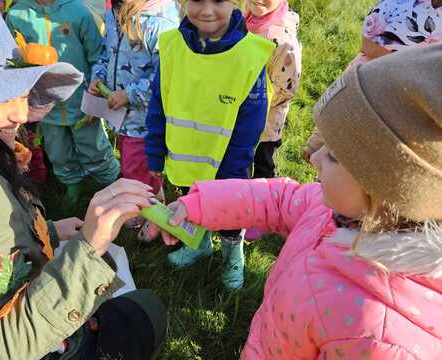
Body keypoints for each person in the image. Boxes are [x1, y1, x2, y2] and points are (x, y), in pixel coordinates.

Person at [0, 1, 166, 359]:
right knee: (145, 313)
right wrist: (88, 249)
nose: (23, 113)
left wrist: (51, 233)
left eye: (22, 92)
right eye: (2, 96)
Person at [153, 42, 442, 359]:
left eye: (332, 155)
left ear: (384, 188)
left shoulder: (379, 339)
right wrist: (196, 206)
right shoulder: (336, 208)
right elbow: (276, 198)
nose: (314, 159)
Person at [143, 0, 275, 290]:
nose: (206, 11)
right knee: (189, 207)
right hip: (182, 162)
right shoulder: (171, 47)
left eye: (218, 1)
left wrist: (232, 172)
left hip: (228, 167)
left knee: (229, 215)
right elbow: (158, 104)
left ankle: (232, 254)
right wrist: (155, 154)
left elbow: (249, 126)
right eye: (196, 0)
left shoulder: (249, 56)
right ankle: (198, 244)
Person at [6, 0, 120, 204]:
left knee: (92, 145)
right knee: (57, 149)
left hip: (81, 98)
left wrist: (95, 92)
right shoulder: (17, 15)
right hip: (44, 102)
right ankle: (72, 184)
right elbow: (11, 58)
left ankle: (109, 182)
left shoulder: (77, 11)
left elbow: (96, 54)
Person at [302, 0, 442, 161]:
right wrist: (406, 69)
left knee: (362, 163)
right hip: (364, 83)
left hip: (405, 107)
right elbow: (370, 44)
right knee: (323, 148)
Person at [88, 0, 179, 232]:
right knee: (137, 163)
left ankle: (143, 210)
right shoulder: (114, 13)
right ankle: (154, 197)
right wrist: (98, 76)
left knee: (134, 167)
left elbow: (166, 75)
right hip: (121, 114)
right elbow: (106, 54)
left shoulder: (160, 24)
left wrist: (129, 95)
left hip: (145, 119)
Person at [243, 0, 302, 241]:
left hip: (266, 122)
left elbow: (287, 88)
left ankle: (264, 214)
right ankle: (242, 202)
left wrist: (252, 101)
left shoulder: (281, 40)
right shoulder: (244, 17)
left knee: (262, 165)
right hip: (241, 114)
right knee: (242, 160)